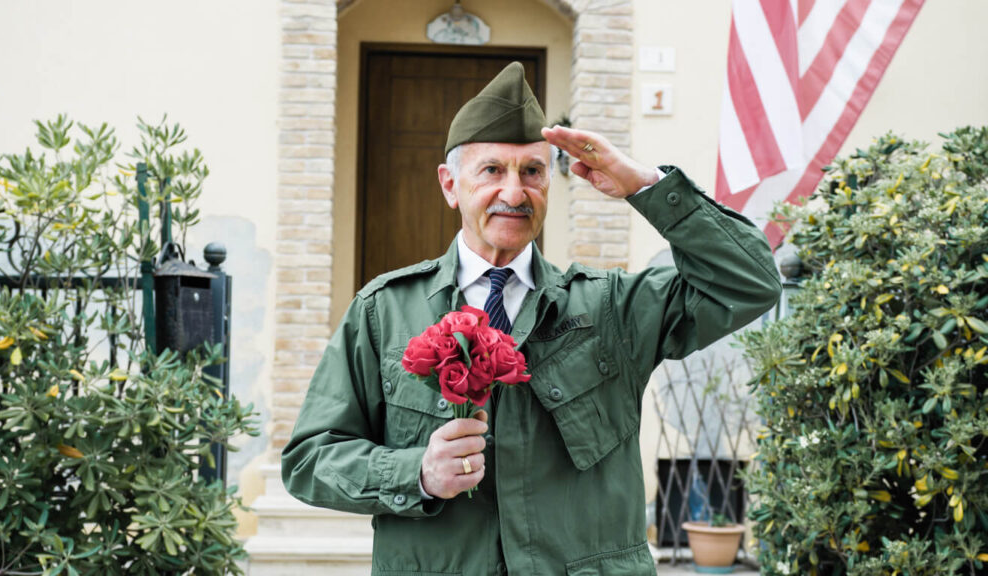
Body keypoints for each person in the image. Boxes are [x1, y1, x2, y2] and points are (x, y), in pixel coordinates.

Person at [282, 61, 781, 575]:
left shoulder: (610, 308)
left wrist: (644, 184)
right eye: (492, 170)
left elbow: (750, 282)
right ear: (450, 185)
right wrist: (417, 472)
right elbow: (308, 461)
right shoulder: (383, 311)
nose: (515, 194)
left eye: (533, 172)